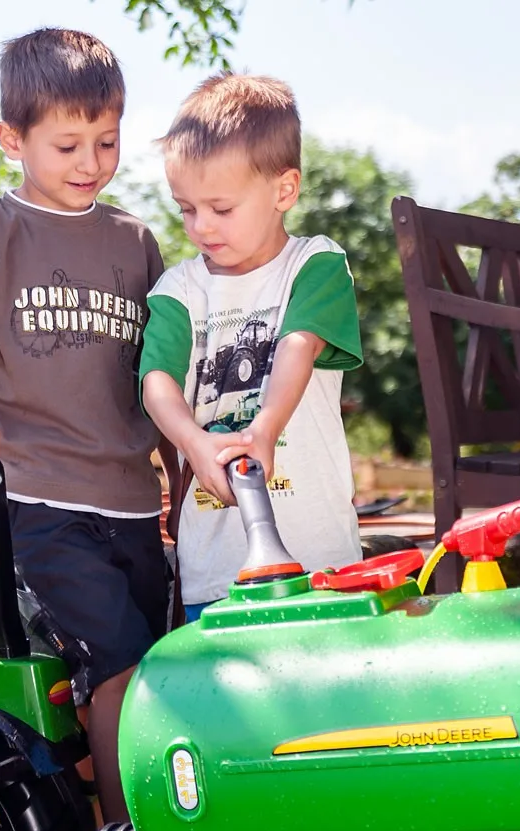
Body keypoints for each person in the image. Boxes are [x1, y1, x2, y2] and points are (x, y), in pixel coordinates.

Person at [0, 28, 168, 823]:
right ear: (12, 140)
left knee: (148, 672)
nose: (91, 162)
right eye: (67, 145)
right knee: (120, 670)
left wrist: (186, 480)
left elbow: (161, 376)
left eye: (107, 141)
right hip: (39, 502)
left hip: (131, 503)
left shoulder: (136, 242)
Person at [139, 73, 364, 620]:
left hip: (319, 557)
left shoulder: (314, 264)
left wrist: (265, 429)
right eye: (186, 208)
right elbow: (157, 381)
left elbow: (297, 345)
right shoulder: (178, 290)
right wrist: (194, 443)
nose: (201, 227)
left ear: (284, 190)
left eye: (221, 208)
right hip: (215, 568)